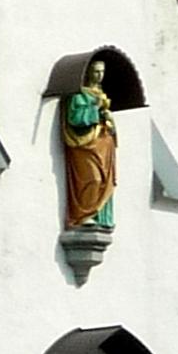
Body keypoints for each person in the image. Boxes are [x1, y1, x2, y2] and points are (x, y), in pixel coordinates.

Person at [61, 58, 118, 233]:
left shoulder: (100, 94)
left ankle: (100, 216)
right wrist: (95, 108)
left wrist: (109, 120)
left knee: (104, 181)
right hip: (85, 146)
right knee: (93, 179)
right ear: (87, 73)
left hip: (104, 145)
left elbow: (110, 126)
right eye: (95, 72)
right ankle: (83, 215)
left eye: (102, 72)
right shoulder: (78, 95)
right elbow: (74, 118)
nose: (99, 76)